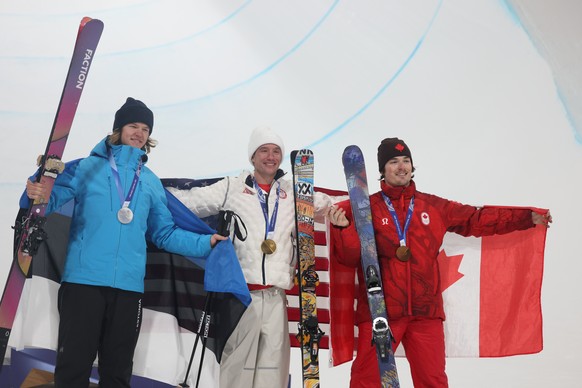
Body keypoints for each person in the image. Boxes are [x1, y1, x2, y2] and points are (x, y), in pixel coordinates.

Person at [25, 97, 227, 388]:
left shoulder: (150, 182)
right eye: (133, 125)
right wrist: (36, 189)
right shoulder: (87, 168)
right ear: (118, 129)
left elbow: (164, 233)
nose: (139, 133)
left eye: (145, 128)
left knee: (118, 371)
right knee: (73, 367)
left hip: (129, 289)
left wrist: (206, 243)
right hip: (84, 283)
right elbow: (47, 201)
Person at [326, 137, 552, 388]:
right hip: (381, 311)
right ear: (383, 169)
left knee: (432, 381)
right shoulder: (366, 208)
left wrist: (525, 218)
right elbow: (347, 258)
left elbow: (478, 219)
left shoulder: (433, 206)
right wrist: (344, 228)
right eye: (393, 162)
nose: (401, 167)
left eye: (406, 161)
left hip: (425, 313)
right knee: (366, 380)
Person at [167, 126, 329, 388]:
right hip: (241, 295)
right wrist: (152, 192)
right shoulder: (232, 186)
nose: (270, 156)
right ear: (252, 157)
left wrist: (336, 211)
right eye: (263, 150)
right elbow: (191, 202)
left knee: (272, 371)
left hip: (276, 297)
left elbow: (324, 204)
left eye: (276, 151)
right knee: (238, 370)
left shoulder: (293, 193)